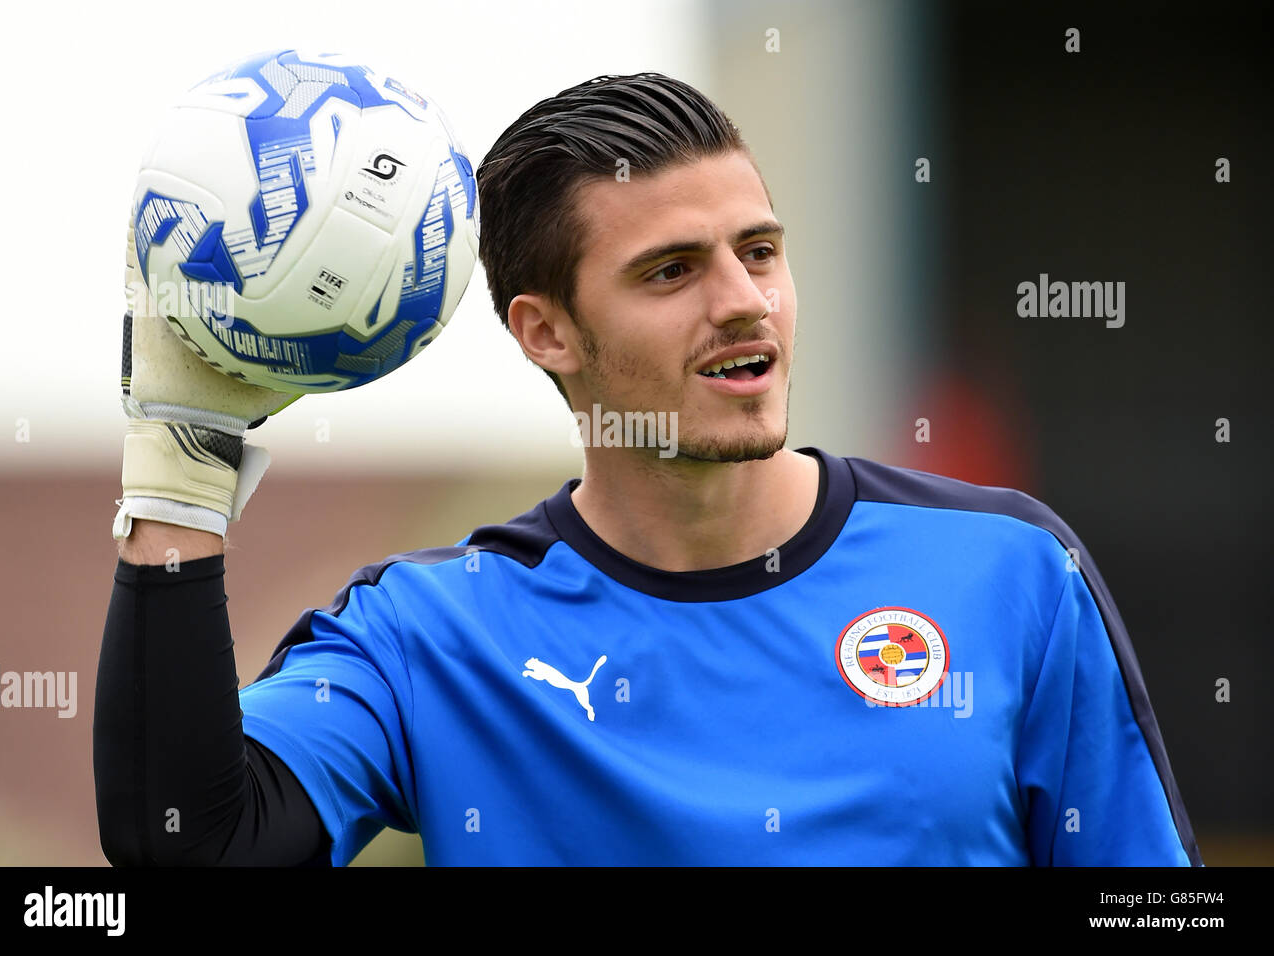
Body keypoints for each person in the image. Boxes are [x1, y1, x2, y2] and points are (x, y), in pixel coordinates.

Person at [95, 72, 1201, 866]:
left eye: (759, 250)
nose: (743, 299)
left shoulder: (1006, 568)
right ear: (547, 333)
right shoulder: (432, 636)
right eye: (670, 270)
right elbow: (186, 845)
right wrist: (180, 465)